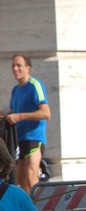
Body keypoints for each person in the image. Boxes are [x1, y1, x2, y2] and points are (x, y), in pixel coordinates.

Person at [5, 55, 51, 194]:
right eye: (13, 66)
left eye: (19, 65)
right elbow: (12, 112)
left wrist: (19, 117)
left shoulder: (34, 85)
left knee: (31, 178)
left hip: (34, 137)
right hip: (19, 139)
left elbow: (45, 113)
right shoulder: (15, 90)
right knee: (20, 179)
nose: (15, 69)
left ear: (28, 68)